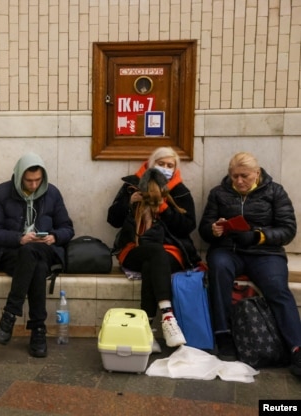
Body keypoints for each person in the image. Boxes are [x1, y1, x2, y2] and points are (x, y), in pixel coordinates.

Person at [198, 152, 301, 376]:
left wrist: (258, 235)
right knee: (219, 270)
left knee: (277, 288)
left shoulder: (275, 191)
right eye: (234, 176)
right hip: (228, 250)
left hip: (265, 252)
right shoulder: (219, 193)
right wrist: (213, 230)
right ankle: (223, 334)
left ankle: (297, 347)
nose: (239, 181)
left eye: (244, 176)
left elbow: (288, 229)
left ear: (257, 173)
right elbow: (204, 228)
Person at [107, 147, 200, 351]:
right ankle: (167, 316)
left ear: (175, 169)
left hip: (171, 250)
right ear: (151, 164)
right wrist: (128, 202)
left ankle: (146, 331)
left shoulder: (179, 191)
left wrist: (165, 209)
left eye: (170, 165)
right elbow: (112, 219)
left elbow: (187, 226)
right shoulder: (132, 185)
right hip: (135, 247)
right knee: (154, 254)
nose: (165, 169)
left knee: (154, 261)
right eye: (161, 164)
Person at [0, 152, 74, 358]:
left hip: (46, 249)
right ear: (18, 176)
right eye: (29, 181)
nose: (34, 186)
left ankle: (10, 315)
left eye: (38, 180)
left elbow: (68, 228)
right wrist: (20, 238)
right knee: (35, 263)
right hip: (12, 252)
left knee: (33, 254)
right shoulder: (1, 193)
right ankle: (38, 330)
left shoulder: (52, 193)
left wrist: (54, 237)